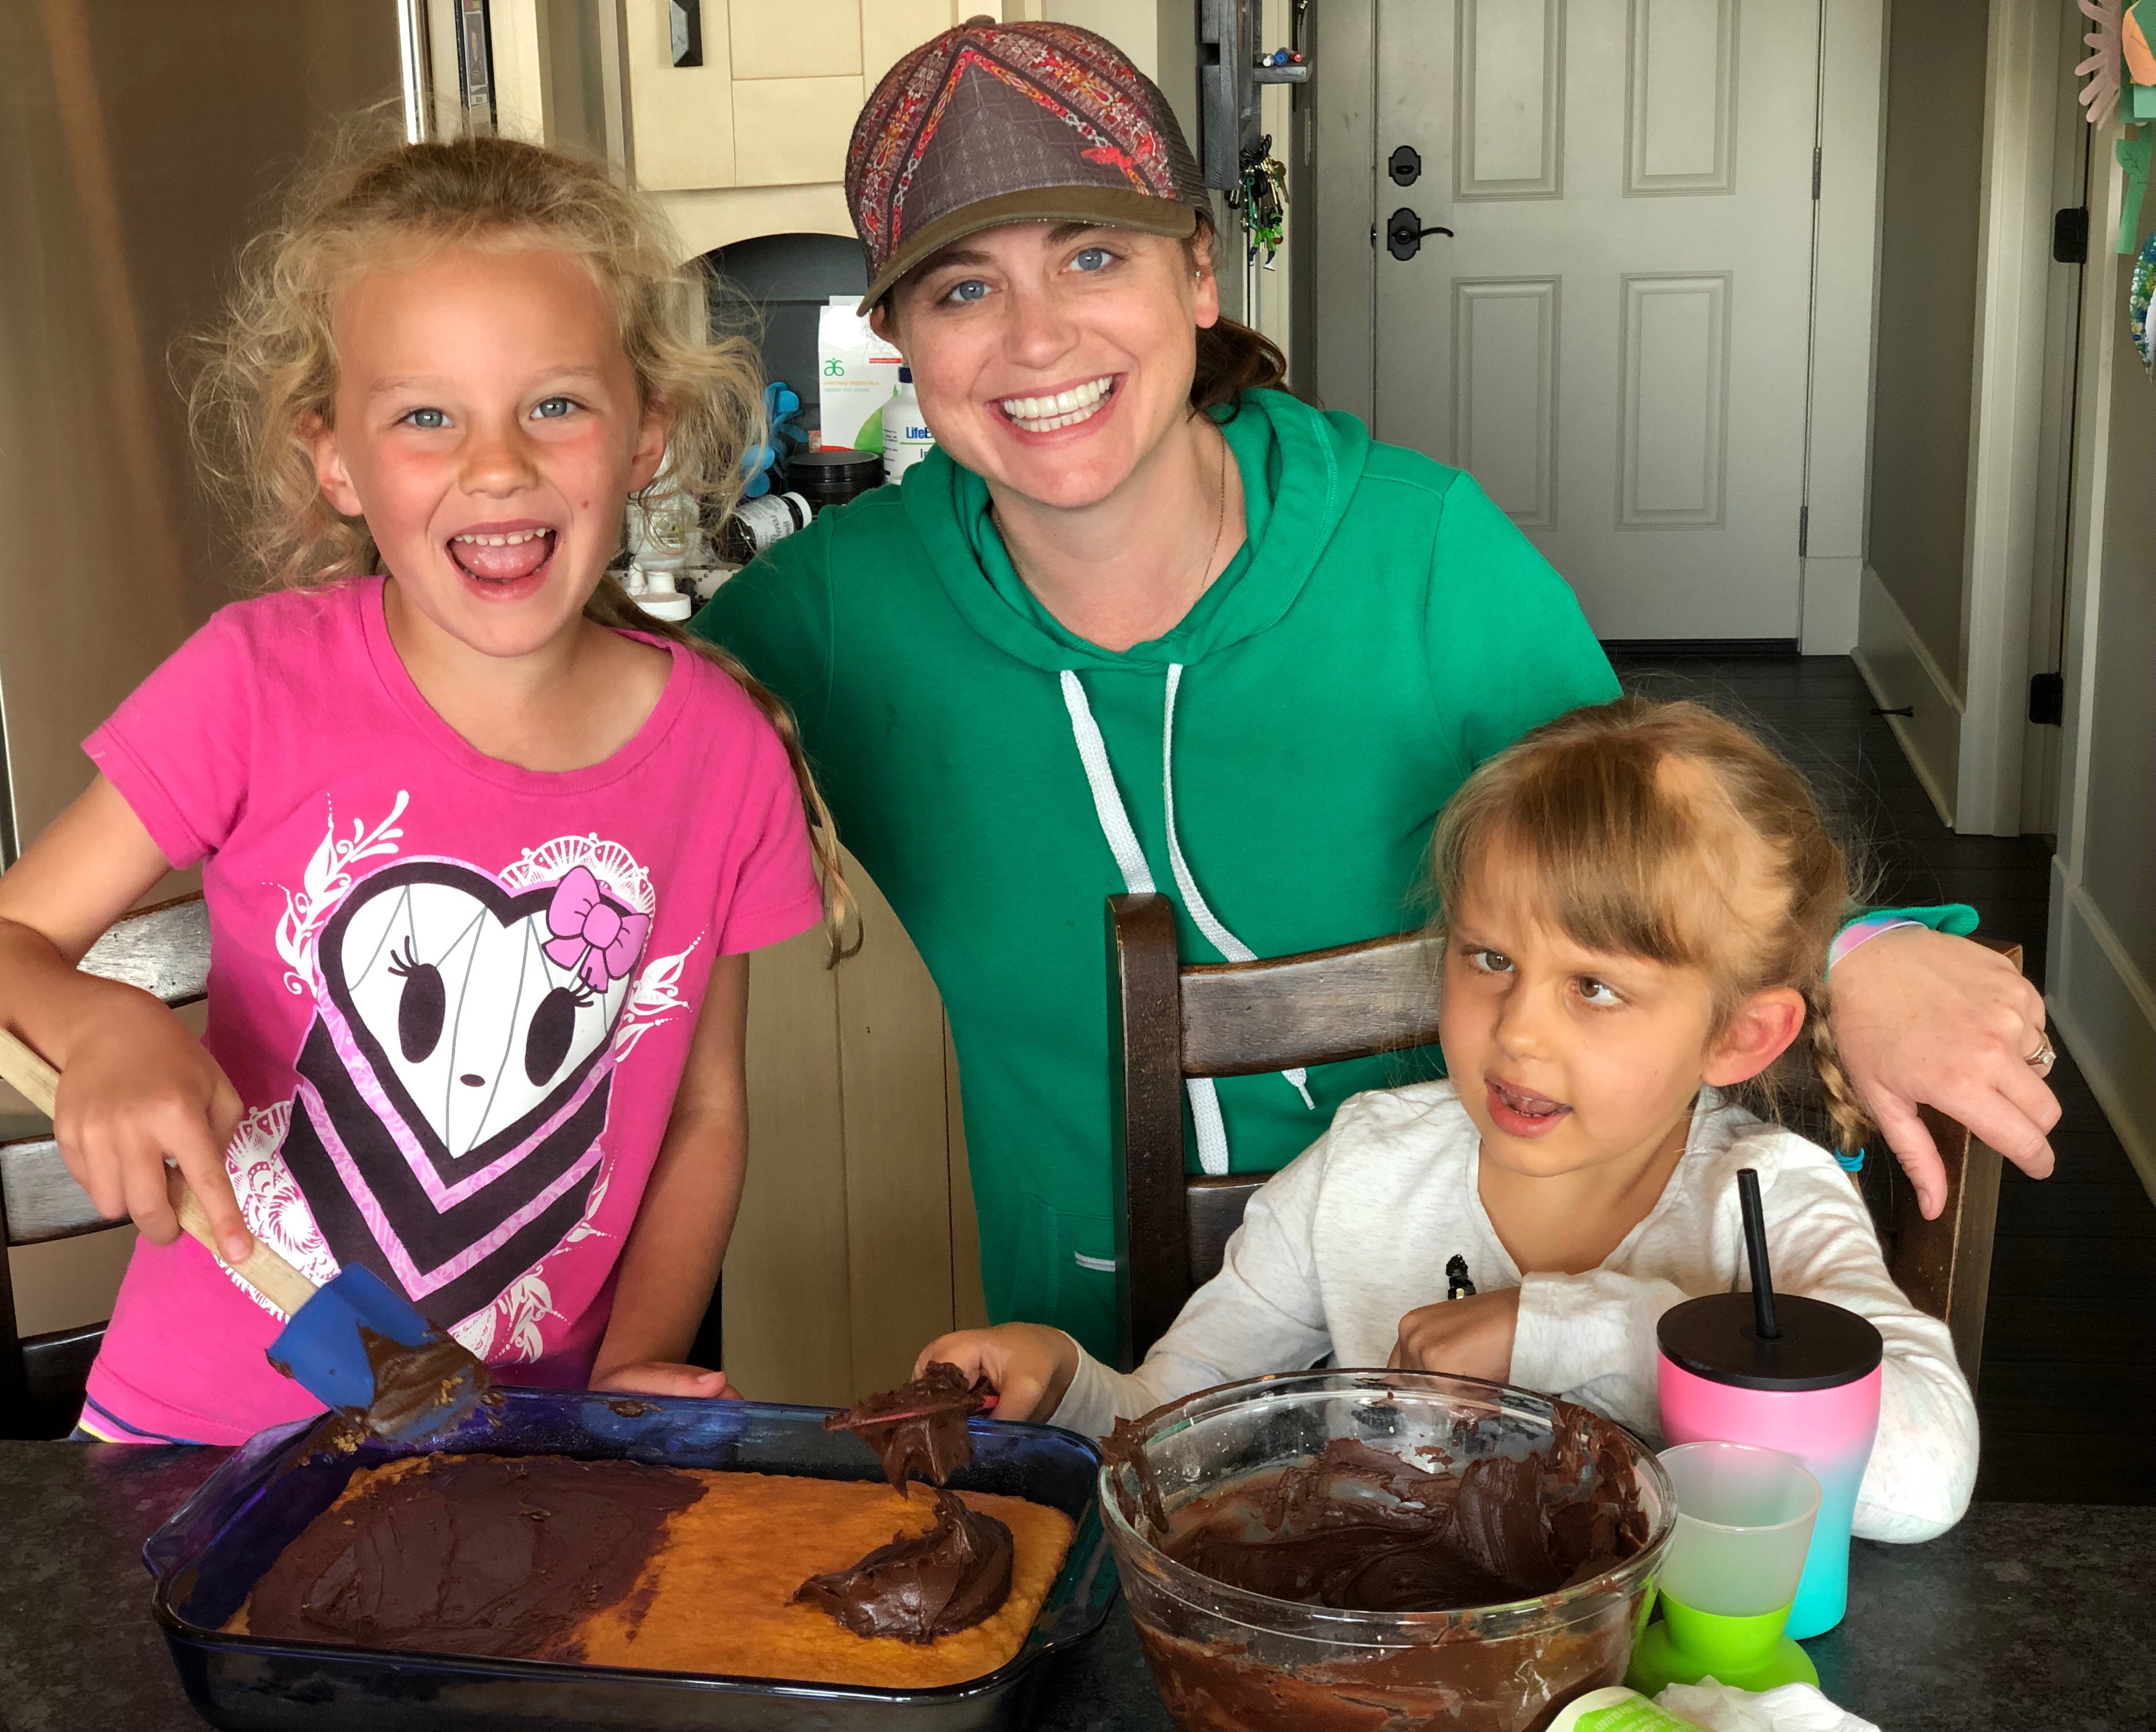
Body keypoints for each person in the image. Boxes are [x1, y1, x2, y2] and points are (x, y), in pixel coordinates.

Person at [694, 19, 2059, 1368]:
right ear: (900, 343)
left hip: (1477, 1351)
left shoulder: (1425, 556)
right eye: (962, 291)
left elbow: (1658, 852)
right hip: (1102, 1373)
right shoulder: (821, 619)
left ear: (1198, 274)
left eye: (1093, 257)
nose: (1037, 339)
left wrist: (1852, 959)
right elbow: (563, 764)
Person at [0, 136, 842, 1446]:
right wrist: (105, 1024)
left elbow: (701, 1111)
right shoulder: (254, 684)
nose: (499, 465)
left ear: (648, 433)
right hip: (189, 1446)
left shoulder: (721, 751)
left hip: (525, 1449)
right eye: (426, 416)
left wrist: (634, 1368)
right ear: (336, 460)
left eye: (556, 405)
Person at [921, 697, 1976, 1542]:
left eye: (1595, 989)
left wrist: (1567, 1335)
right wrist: (1062, 1384)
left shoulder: (1767, 1202)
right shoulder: (1362, 1170)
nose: (1516, 1035)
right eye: (1491, 960)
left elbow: (1924, 1482)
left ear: (1740, 1037)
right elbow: (1174, 1427)